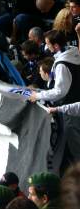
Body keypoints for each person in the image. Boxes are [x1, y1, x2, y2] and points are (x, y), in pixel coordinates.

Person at [30, 30, 80, 172]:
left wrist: (38, 96)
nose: (46, 47)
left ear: (56, 46)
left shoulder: (62, 64)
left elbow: (60, 92)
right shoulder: (74, 51)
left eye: (48, 44)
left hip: (71, 111)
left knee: (76, 147)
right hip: (76, 105)